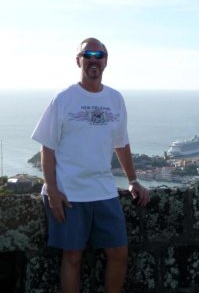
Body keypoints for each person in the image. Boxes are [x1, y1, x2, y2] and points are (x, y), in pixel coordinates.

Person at [31, 37, 150, 293]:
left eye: (100, 55)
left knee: (119, 252)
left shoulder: (115, 99)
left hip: (104, 191)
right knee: (72, 257)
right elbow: (47, 147)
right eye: (88, 55)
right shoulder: (63, 99)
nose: (94, 60)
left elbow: (122, 143)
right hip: (69, 193)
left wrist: (133, 180)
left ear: (106, 61)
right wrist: (52, 189)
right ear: (78, 61)